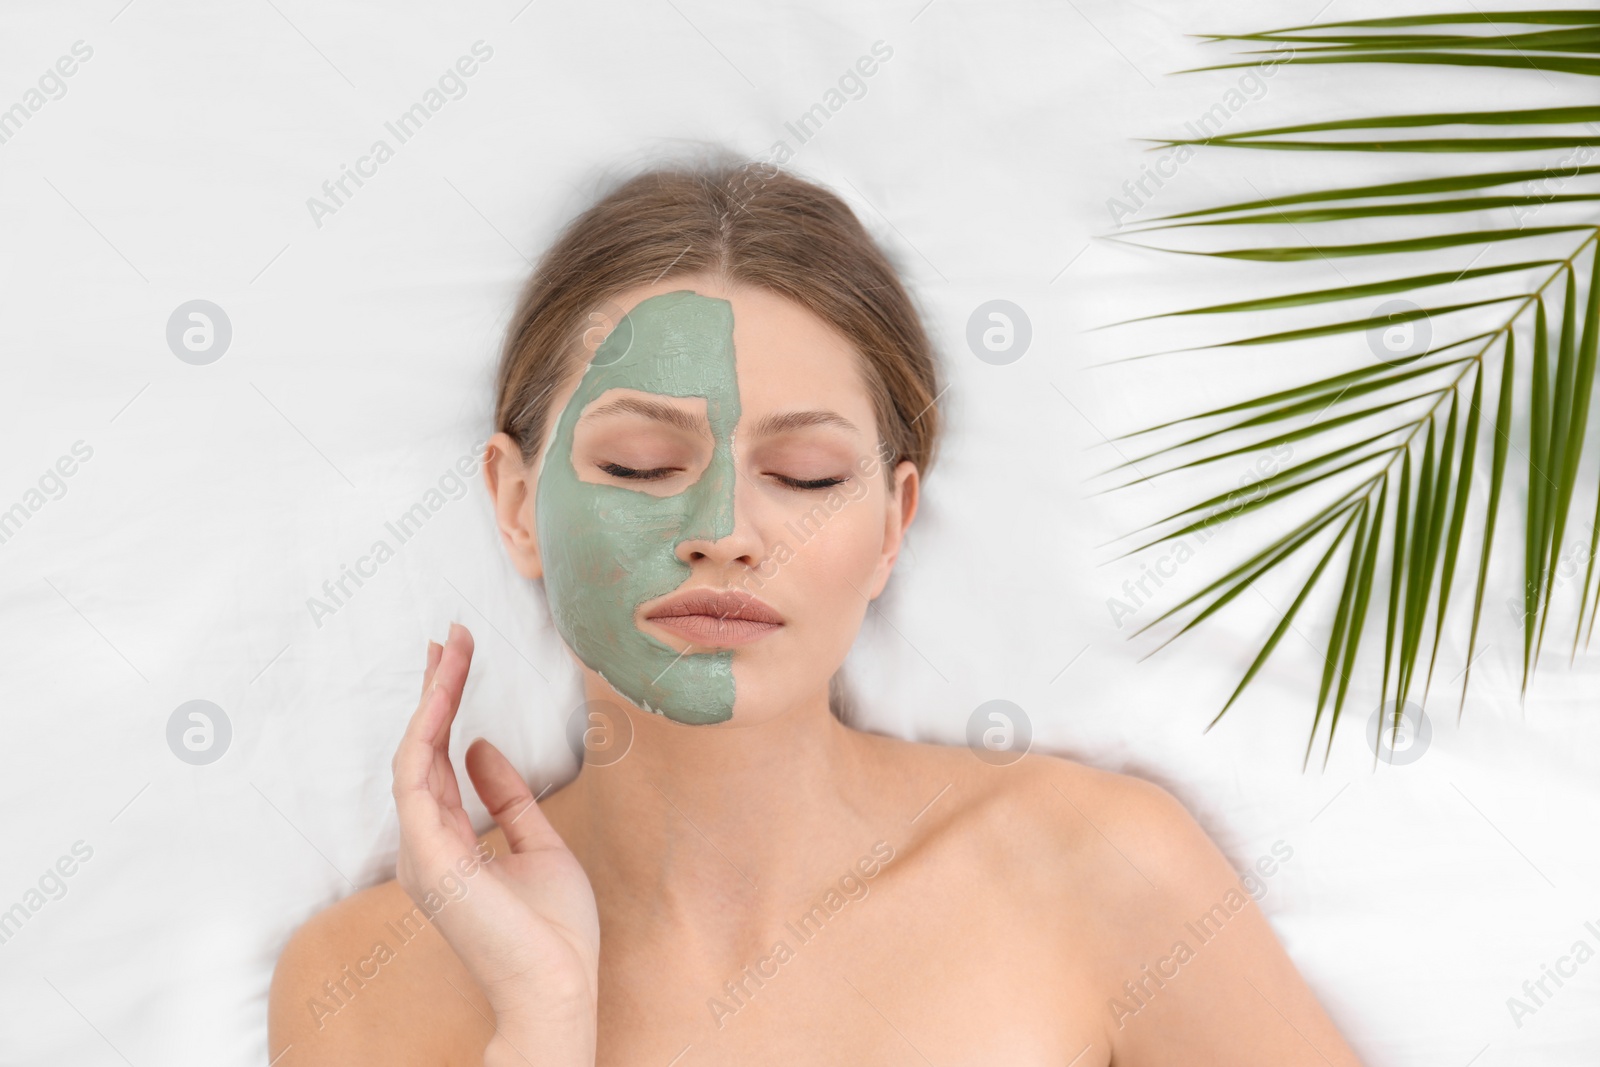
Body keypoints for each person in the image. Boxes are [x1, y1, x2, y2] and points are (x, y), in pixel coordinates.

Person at [268, 156, 1364, 1065]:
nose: (726, 529)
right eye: (642, 463)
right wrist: (544, 1023)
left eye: (800, 472)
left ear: (892, 525)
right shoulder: (357, 987)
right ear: (515, 503)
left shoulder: (1099, 869)